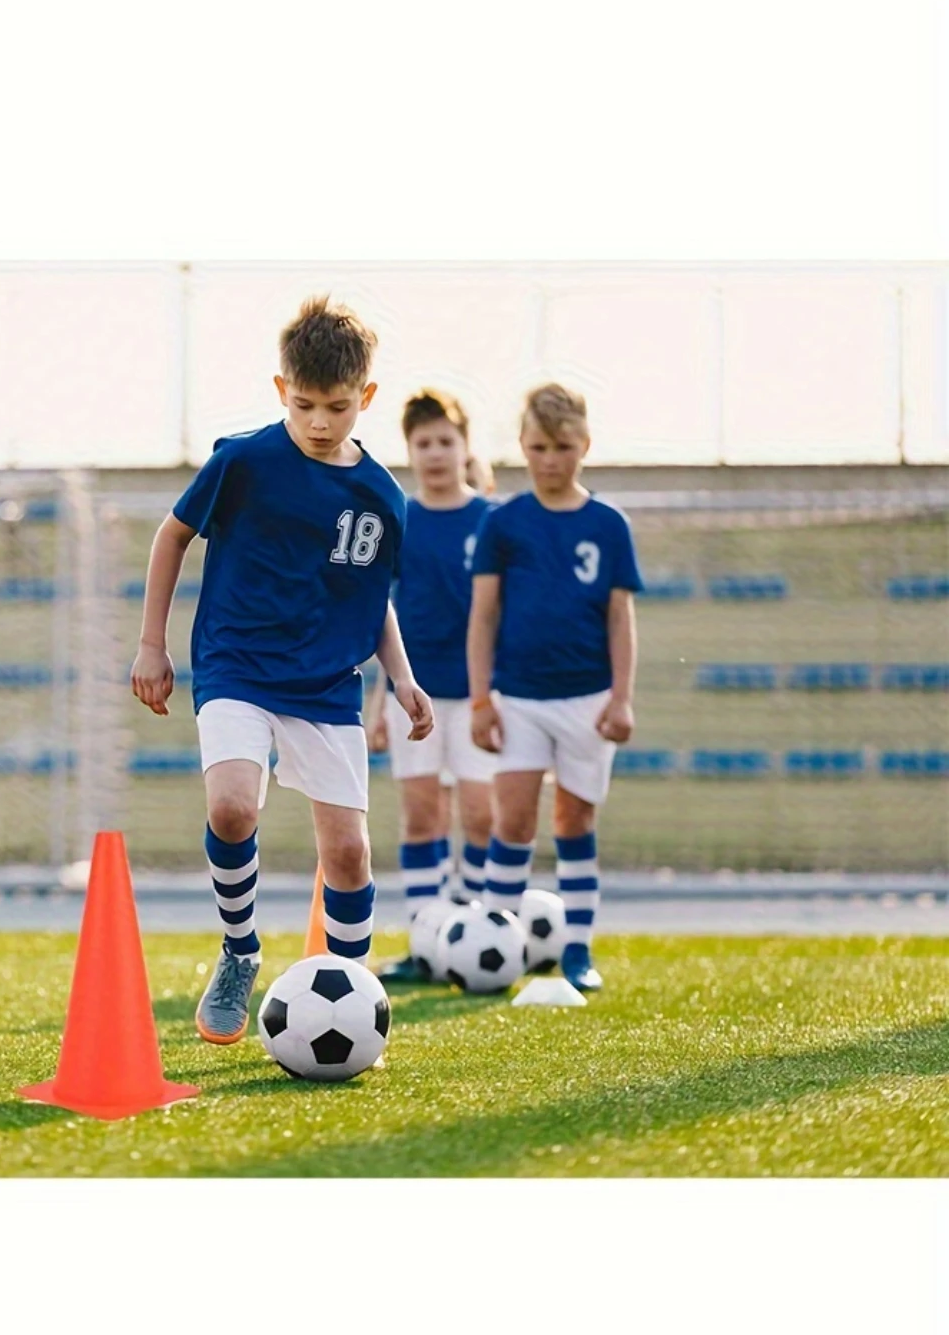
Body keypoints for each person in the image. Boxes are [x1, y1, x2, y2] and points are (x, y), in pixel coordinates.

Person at [130, 296, 433, 1043]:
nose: (320, 422)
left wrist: (401, 677)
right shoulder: (243, 461)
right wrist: (151, 644)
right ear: (280, 391)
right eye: (304, 405)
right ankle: (240, 951)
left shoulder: (382, 498)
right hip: (236, 665)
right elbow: (172, 538)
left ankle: (355, 1002)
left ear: (365, 397)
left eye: (337, 406)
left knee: (351, 855)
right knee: (233, 806)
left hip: (327, 685)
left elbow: (373, 599)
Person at [466, 383, 642, 992]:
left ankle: (577, 949)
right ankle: (496, 937)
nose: (549, 459)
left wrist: (621, 697)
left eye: (563, 446)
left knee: (574, 820)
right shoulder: (504, 524)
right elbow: (482, 617)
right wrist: (482, 699)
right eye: (538, 447)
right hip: (517, 697)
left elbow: (620, 618)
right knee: (511, 819)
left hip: (588, 699)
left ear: (584, 445)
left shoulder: (608, 525)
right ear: (522, 446)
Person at [365, 390, 496, 984]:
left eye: (446, 441)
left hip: (479, 698)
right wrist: (377, 700)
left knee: (481, 816)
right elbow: (379, 614)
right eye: (424, 443)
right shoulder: (400, 519)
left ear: (465, 447)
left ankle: (472, 933)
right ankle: (425, 941)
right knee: (422, 817)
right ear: (410, 450)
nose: (436, 452)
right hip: (411, 696)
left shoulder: (492, 522)